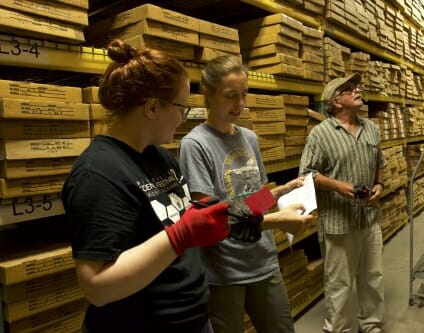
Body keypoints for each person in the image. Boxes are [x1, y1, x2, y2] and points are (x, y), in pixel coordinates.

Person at [62, 39, 232, 333]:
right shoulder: (98, 173)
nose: (183, 120)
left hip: (193, 319)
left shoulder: (160, 156)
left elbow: (173, 221)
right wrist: (181, 235)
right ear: (153, 108)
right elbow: (96, 287)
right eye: (182, 109)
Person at [178, 55, 313, 333]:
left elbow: (253, 201)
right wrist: (278, 221)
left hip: (263, 259)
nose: (240, 105)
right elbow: (210, 220)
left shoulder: (248, 138)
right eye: (231, 96)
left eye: (244, 94)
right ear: (209, 95)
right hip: (225, 271)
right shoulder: (195, 145)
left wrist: (281, 191)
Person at [299, 73, 386, 333]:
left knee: (373, 277)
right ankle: (340, 329)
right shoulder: (320, 135)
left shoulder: (371, 129)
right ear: (336, 102)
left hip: (369, 218)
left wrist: (379, 187)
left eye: (357, 87)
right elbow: (306, 175)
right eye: (350, 89)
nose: (358, 91)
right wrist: (339, 186)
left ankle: (372, 325)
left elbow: (380, 165)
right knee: (340, 284)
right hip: (338, 222)